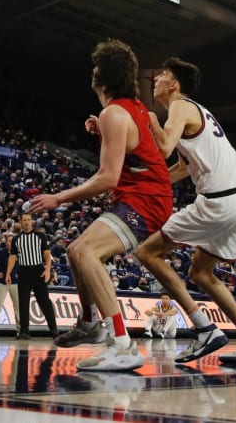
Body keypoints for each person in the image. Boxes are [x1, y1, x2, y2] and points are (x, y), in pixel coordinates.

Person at [30, 39, 173, 372]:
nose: (92, 72)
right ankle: (89, 322)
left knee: (85, 252)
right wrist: (103, 131)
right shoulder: (131, 108)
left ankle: (122, 345)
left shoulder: (114, 113)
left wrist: (58, 198)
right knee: (75, 250)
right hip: (148, 196)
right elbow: (136, 148)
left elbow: (108, 178)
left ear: (102, 77)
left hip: (145, 200)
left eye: (96, 67)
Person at [136, 58, 236, 366]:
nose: (155, 79)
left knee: (146, 252)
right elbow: (182, 167)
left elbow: (163, 148)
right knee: (200, 272)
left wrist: (150, 118)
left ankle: (204, 329)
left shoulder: (180, 106)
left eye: (161, 75)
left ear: (174, 85)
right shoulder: (197, 111)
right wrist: (144, 185)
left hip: (219, 202)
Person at [5, 212, 58, 339]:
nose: (27, 222)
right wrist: (8, 273)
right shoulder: (16, 239)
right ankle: (24, 331)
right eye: (24, 220)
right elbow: (13, 257)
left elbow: (47, 254)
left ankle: (54, 330)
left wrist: (47, 270)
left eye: (29, 219)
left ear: (32, 222)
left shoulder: (40, 236)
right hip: (23, 272)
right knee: (23, 303)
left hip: (38, 271)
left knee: (44, 302)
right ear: (21, 222)